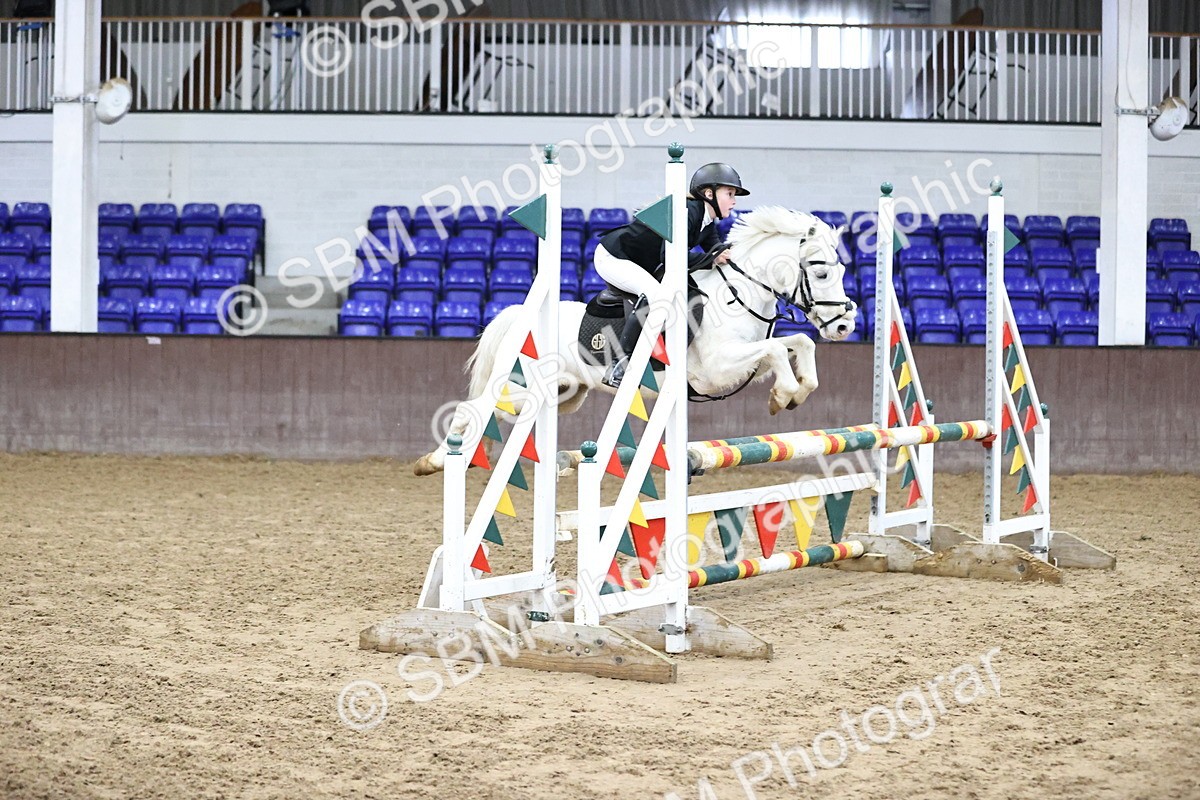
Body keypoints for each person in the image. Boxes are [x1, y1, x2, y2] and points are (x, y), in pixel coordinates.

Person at [594, 162, 750, 387]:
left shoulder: (706, 221)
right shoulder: (688, 212)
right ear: (709, 194)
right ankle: (619, 365)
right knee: (655, 296)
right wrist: (712, 259)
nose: (734, 201)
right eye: (730, 194)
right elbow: (672, 259)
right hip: (614, 256)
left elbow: (716, 250)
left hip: (638, 262)